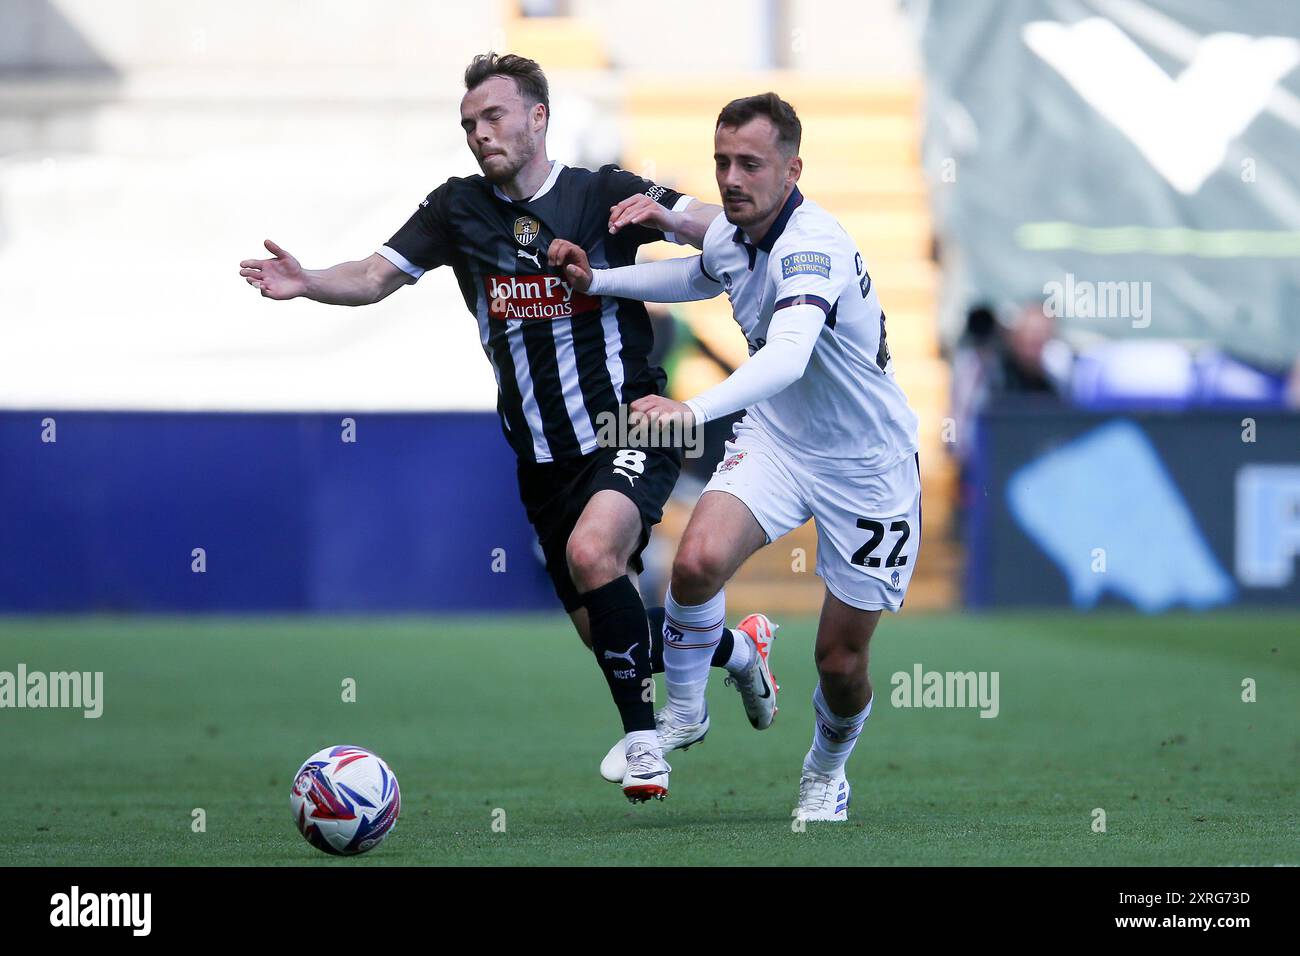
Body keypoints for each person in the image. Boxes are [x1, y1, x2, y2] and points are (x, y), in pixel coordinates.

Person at [238, 52, 769, 804]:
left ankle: (645, 743)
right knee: (604, 631)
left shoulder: (604, 191)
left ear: (538, 117)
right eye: (468, 124)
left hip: (634, 421)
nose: (479, 132)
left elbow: (710, 224)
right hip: (542, 457)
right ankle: (735, 647)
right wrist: (308, 281)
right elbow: (372, 276)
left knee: (595, 553)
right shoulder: (458, 209)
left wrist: (674, 215)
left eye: (492, 116)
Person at [550, 92, 922, 820]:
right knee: (693, 564)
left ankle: (826, 767)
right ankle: (685, 712)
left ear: (792, 168)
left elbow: (785, 356)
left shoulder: (811, 245)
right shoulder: (735, 230)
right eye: (722, 160)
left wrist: (689, 410)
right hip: (780, 439)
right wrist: (600, 280)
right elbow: (699, 275)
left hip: (867, 464)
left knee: (840, 663)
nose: (730, 176)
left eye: (749, 162)